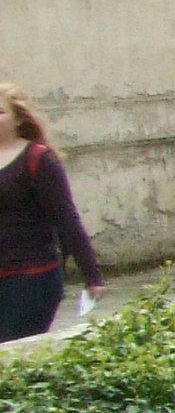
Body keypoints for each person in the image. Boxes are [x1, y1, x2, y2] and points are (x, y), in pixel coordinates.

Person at [0, 86, 106, 341]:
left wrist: (92, 275)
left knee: (14, 352)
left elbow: (66, 218)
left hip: (32, 279)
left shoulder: (38, 159)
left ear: (18, 118)